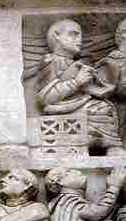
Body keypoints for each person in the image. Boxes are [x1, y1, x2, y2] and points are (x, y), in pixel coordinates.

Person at [34, 19, 121, 154]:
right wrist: (76, 82)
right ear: (57, 35)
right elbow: (45, 98)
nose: (79, 39)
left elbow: (88, 90)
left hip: (80, 103)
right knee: (101, 110)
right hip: (62, 107)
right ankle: (109, 146)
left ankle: (110, 145)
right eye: (73, 34)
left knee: (105, 107)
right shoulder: (51, 62)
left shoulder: (78, 63)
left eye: (80, 35)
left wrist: (98, 84)